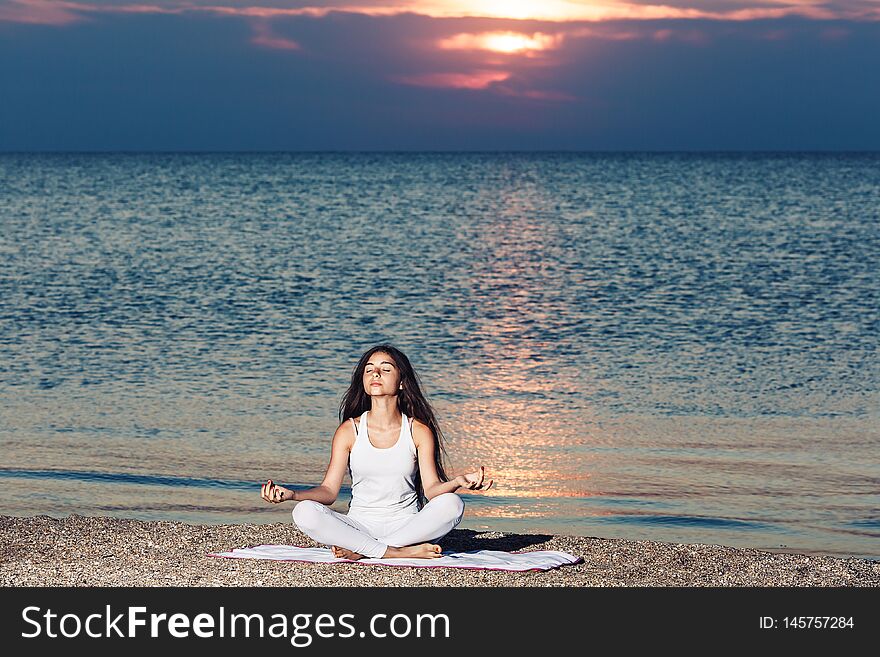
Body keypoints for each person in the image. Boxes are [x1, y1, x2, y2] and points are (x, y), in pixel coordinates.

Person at [260, 344, 493, 560]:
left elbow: (432, 491)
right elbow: (329, 491)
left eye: (385, 369)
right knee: (304, 512)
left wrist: (458, 481)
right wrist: (292, 495)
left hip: (409, 527)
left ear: (402, 381)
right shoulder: (349, 431)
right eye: (369, 370)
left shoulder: (418, 431)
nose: (375, 374)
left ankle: (368, 550)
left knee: (453, 504)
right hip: (359, 526)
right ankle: (396, 552)